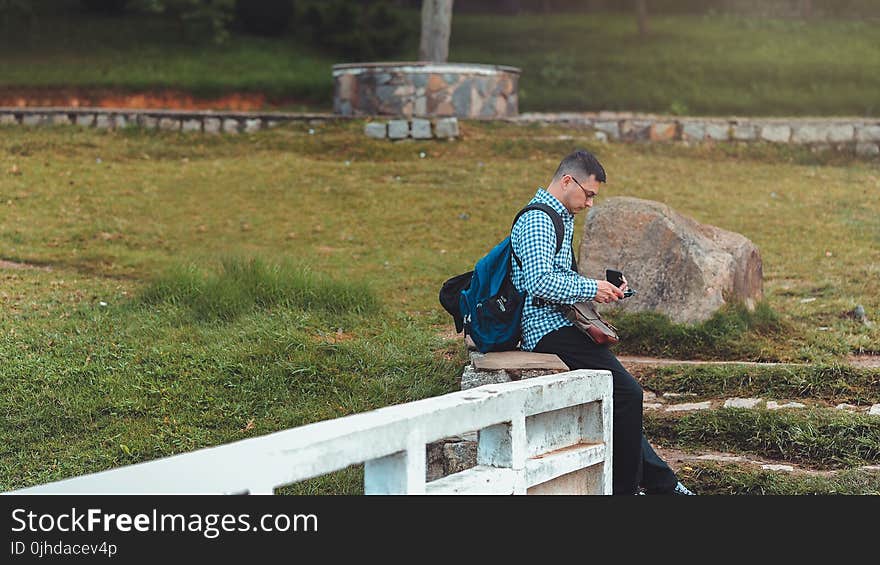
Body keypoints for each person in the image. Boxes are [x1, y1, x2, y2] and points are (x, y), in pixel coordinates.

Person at [510, 149, 695, 496]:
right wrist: (592, 288)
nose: (590, 203)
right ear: (567, 181)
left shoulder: (559, 215)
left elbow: (558, 278)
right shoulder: (538, 219)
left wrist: (605, 289)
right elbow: (538, 281)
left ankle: (661, 484)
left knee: (620, 397)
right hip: (544, 329)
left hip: (560, 323)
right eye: (589, 194)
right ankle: (628, 489)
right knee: (628, 393)